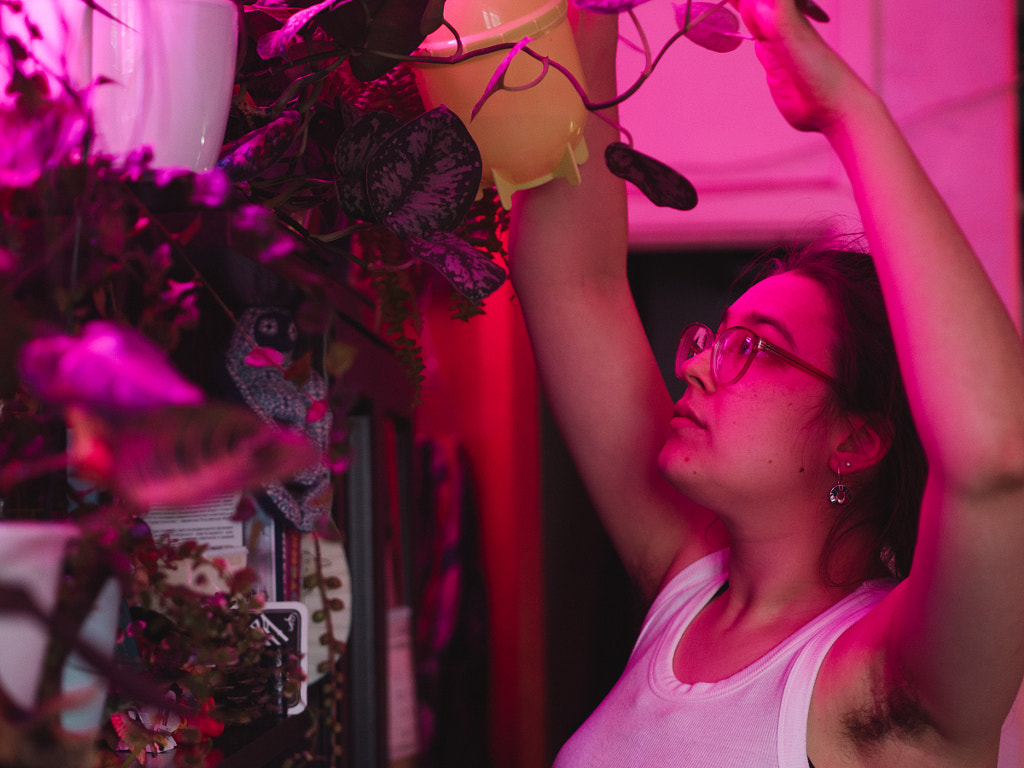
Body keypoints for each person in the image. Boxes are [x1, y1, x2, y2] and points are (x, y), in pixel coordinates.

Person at [508, 0, 1024, 765]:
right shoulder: (685, 592)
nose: (692, 363)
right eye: (717, 339)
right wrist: (588, 17)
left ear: (856, 439)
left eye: (754, 348)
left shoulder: (884, 692)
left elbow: (996, 460)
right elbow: (570, 283)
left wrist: (844, 110)